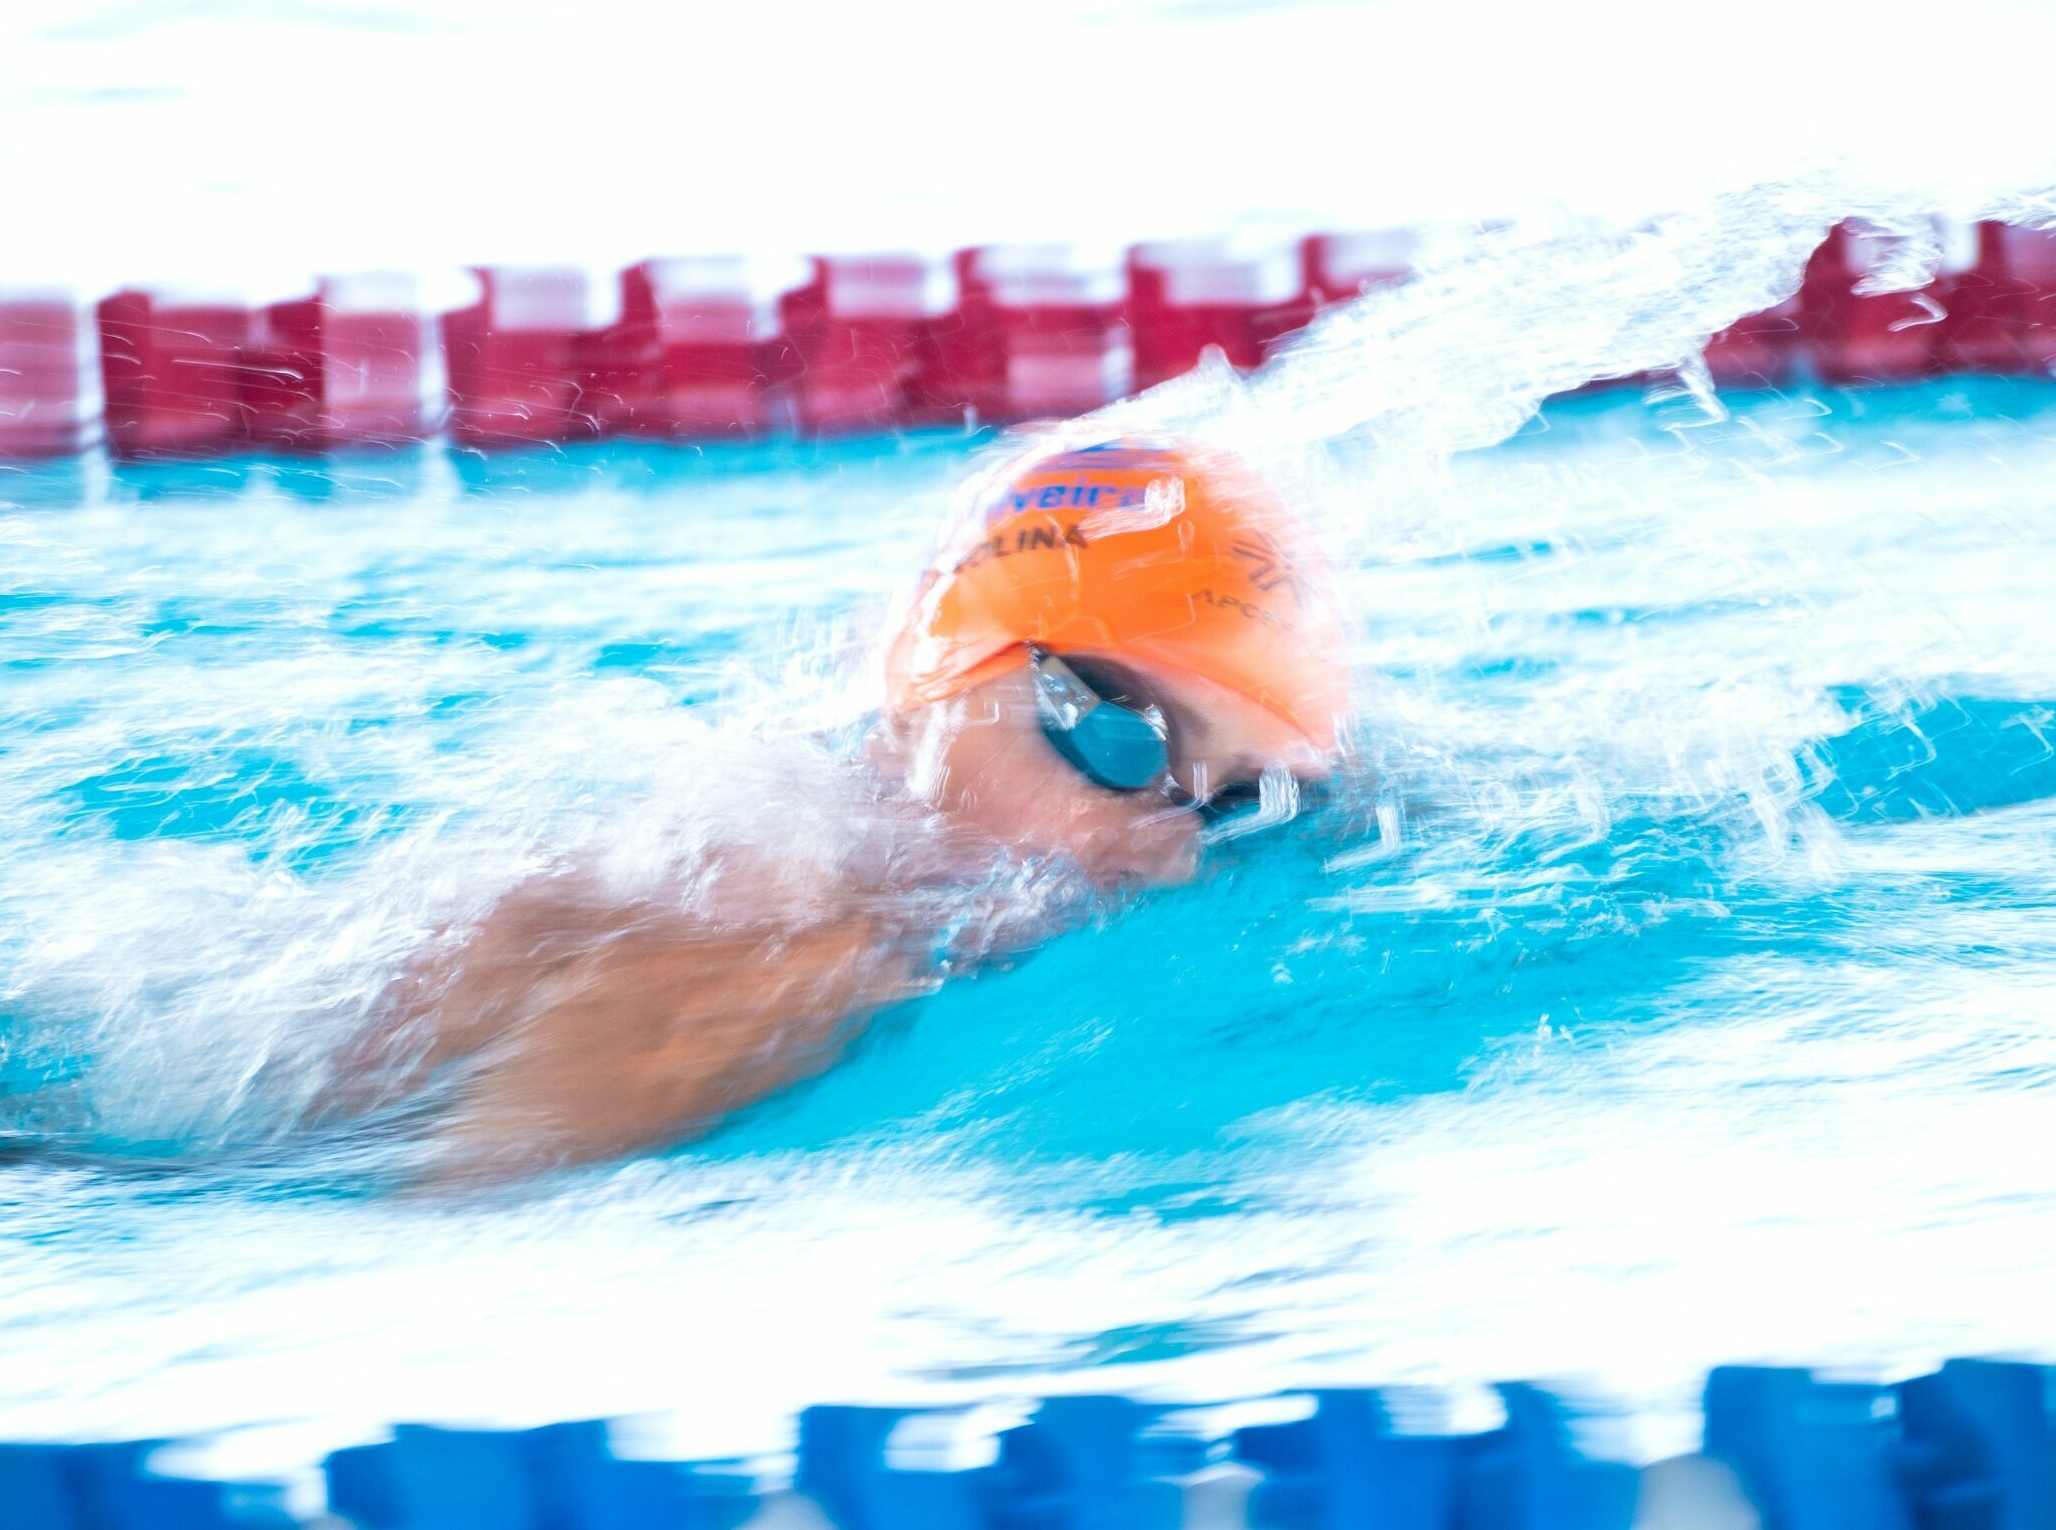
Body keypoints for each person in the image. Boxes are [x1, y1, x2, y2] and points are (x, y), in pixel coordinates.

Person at [343, 425, 1352, 1177]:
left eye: (1235, 800)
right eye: (1121, 738)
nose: (1169, 851)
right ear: (927, 696)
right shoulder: (772, 944)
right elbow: (445, 1219)